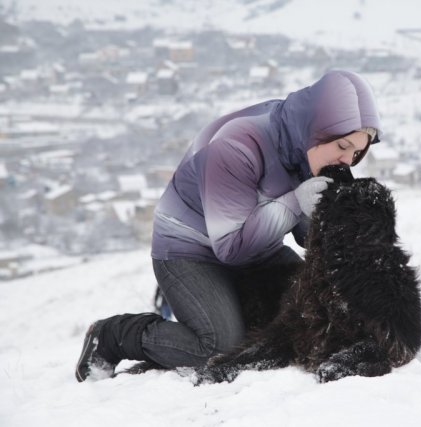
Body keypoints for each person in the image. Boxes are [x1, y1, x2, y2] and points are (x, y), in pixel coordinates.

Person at [75, 70, 382, 382]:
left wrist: (339, 216)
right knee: (218, 348)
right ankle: (113, 334)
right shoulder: (236, 145)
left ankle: (228, 311)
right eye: (342, 146)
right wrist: (296, 203)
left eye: (357, 152)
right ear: (317, 129)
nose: (347, 159)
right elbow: (231, 248)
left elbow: (305, 236)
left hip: (259, 248)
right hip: (190, 252)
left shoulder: (306, 150)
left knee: (313, 310)